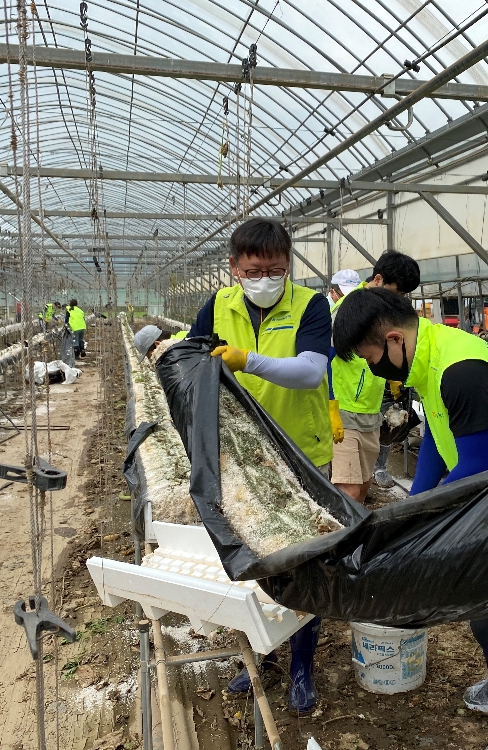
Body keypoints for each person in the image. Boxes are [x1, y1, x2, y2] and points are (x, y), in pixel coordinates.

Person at [333, 288, 488, 750]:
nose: (373, 368)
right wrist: (410, 507)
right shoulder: (430, 359)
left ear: (394, 339)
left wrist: (424, 523)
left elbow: (474, 466)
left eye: (372, 357)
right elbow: (441, 433)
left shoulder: (462, 371)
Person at [186, 217, 331, 715]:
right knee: (250, 561)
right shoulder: (217, 307)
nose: (265, 278)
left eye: (275, 269)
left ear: (288, 266)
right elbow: (192, 363)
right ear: (234, 268)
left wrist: (248, 361)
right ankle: (261, 658)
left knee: (304, 562)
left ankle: (302, 664)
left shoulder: (311, 305)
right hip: (243, 460)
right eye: (254, 270)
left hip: (304, 456)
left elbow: (312, 372)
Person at [328, 253, 421, 503]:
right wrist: (331, 405)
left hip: (371, 411)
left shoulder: (385, 313)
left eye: (403, 296)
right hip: (345, 412)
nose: (398, 300)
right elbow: (326, 358)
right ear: (378, 279)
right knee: (348, 490)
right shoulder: (347, 312)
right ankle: (344, 539)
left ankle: (353, 537)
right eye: (396, 293)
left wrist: (393, 379)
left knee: (364, 484)